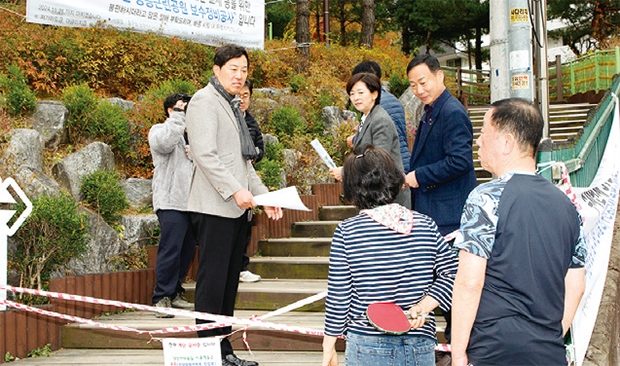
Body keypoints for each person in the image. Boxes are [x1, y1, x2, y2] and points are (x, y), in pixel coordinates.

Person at [451, 98, 587, 366]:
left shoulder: (486, 197)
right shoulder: (568, 205)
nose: (477, 142)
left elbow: (469, 283)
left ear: (507, 141)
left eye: (483, 133)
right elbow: (577, 284)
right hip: (547, 349)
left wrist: (457, 354)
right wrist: (553, 334)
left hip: (495, 346)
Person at [185, 44, 283, 366]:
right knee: (212, 283)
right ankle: (209, 353)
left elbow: (244, 164)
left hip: (237, 209)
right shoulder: (204, 101)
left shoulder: (233, 105)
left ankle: (223, 350)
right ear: (216, 70)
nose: (239, 76)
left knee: (228, 284)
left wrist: (265, 196)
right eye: (233, 69)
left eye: (244, 70)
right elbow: (205, 155)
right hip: (214, 207)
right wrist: (235, 190)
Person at [322, 145, 457, 366]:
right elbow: (453, 273)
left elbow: (339, 295)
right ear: (394, 179)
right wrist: (426, 305)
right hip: (419, 341)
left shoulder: (348, 231)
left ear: (352, 188)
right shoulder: (425, 224)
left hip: (367, 342)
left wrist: (328, 345)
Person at [404, 55, 477, 352]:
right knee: (442, 289)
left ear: (440, 76)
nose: (419, 89)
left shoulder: (452, 112)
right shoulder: (433, 109)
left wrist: (419, 176)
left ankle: (461, 350)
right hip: (435, 212)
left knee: (451, 289)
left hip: (450, 217)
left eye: (423, 82)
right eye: (413, 85)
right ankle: (451, 349)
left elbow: (460, 161)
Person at [329, 72, 411, 208]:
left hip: (389, 199)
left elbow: (378, 161)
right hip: (373, 196)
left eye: (361, 92)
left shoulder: (380, 120)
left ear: (375, 94)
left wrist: (345, 171)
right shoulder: (367, 117)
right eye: (352, 93)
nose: (356, 98)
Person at [148, 92, 196, 317]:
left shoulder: (192, 135)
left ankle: (176, 293)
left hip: (192, 203)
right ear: (170, 111)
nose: (186, 112)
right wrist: (178, 117)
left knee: (186, 251)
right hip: (170, 202)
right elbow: (165, 144)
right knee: (171, 249)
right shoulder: (159, 130)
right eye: (180, 108)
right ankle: (161, 297)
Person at [351, 60, 411, 172]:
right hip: (404, 161)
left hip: (391, 169)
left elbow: (382, 140)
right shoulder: (393, 99)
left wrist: (354, 140)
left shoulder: (377, 106)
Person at [238, 79, 263, 283]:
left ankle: (242, 267)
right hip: (230, 182)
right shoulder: (227, 117)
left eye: (245, 95)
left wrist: (256, 154)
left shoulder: (252, 122)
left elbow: (260, 147)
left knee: (245, 226)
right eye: (239, 95)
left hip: (248, 178)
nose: (242, 99)